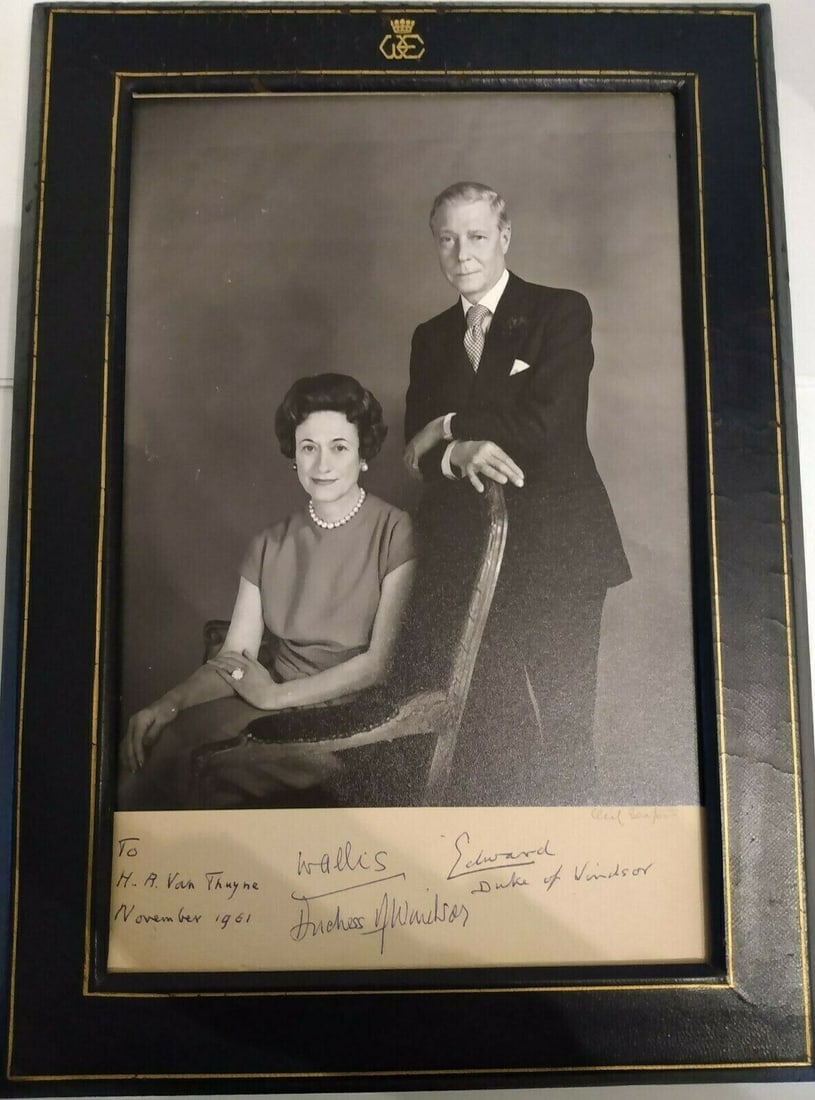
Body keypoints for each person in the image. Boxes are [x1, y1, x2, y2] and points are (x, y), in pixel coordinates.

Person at [403, 182, 631, 805]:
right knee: (486, 732)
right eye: (447, 239)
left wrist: (449, 428)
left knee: (562, 733)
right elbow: (414, 452)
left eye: (477, 236)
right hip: (471, 562)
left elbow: (544, 428)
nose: (463, 253)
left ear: (505, 237)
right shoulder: (431, 336)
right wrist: (454, 454)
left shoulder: (560, 311)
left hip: (560, 555)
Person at [120, 373, 417, 810]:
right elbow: (234, 661)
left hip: (348, 730)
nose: (322, 465)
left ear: (363, 454)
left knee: (205, 782)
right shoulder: (268, 544)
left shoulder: (395, 530)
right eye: (308, 448)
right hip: (267, 715)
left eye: (339, 447)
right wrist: (168, 704)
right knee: (155, 761)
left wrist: (275, 696)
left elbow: (377, 666)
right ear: (293, 457)